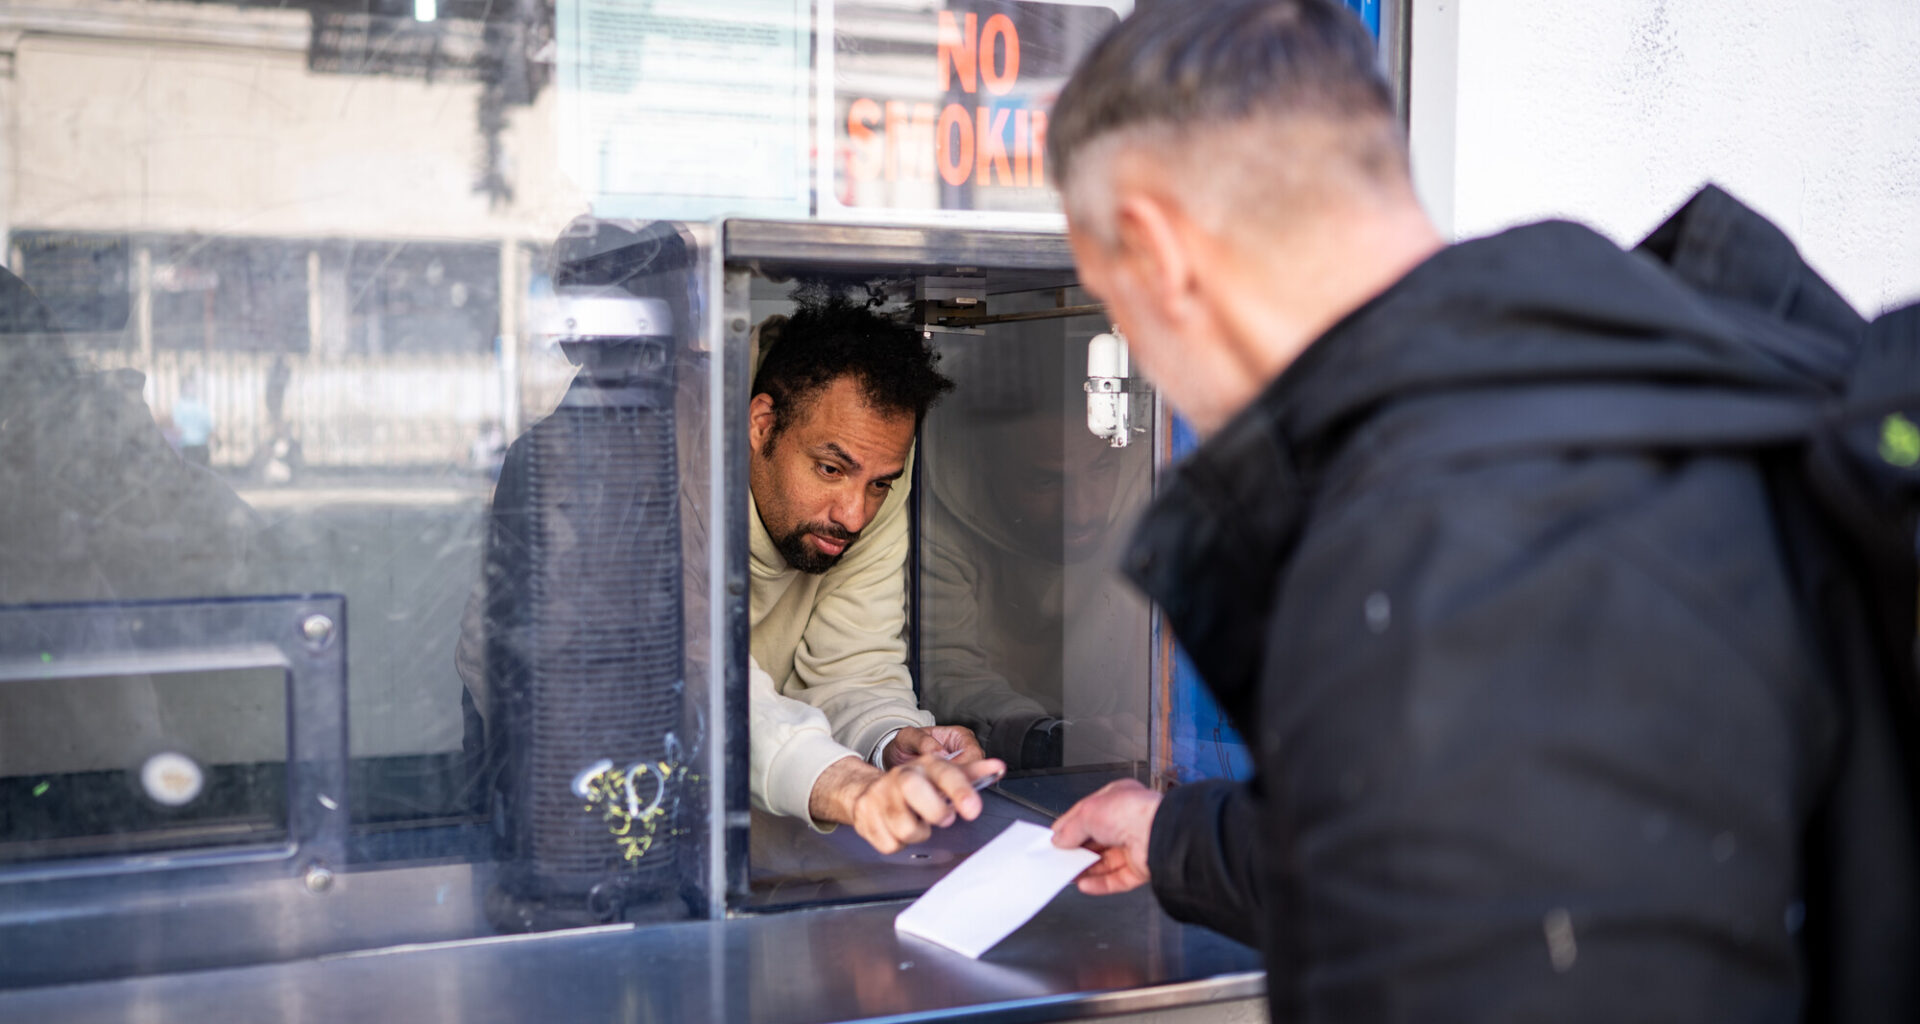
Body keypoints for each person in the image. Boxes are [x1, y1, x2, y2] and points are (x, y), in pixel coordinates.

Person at [1041, 1, 1918, 1021]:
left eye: (1111, 300)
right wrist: (1177, 838)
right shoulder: (1643, 396)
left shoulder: (1454, 570)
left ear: (1156, 249)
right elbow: (1510, 849)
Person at [741, 296, 1000, 852]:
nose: (854, 514)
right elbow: (697, 684)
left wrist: (891, 741)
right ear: (762, 427)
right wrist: (851, 787)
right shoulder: (667, 481)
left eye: (880, 482)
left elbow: (851, 667)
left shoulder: (868, 497)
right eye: (830, 469)